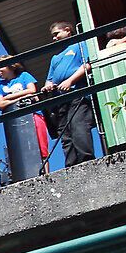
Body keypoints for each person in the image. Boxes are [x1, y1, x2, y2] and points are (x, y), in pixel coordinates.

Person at [42, 21, 99, 169]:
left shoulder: (80, 45)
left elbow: (87, 64)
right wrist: (48, 86)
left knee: (78, 125)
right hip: (61, 98)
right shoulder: (55, 58)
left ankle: (86, 160)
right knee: (64, 132)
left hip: (77, 92)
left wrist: (70, 81)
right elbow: (49, 78)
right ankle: (71, 164)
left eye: (56, 34)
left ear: (68, 31)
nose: (54, 38)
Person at [0, 56, 47, 182]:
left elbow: (32, 90)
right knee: (20, 148)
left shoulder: (24, 76)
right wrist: (23, 97)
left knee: (41, 147)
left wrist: (9, 98)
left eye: (0, 66)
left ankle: (45, 175)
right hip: (15, 121)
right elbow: (0, 105)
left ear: (10, 65)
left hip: (34, 114)